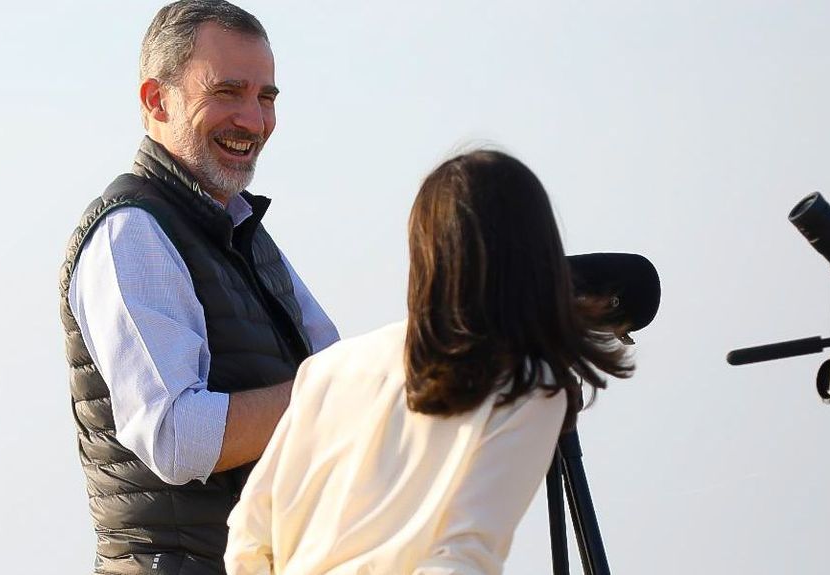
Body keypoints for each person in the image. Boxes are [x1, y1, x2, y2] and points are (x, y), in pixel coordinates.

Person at [224, 150, 635, 574]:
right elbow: (461, 558)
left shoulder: (331, 369)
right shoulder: (528, 383)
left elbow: (249, 535)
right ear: (538, 250)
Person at [57, 2, 339, 573]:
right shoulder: (130, 231)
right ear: (156, 101)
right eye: (228, 92)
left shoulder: (244, 233)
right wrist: (348, 390)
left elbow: (338, 368)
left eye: (266, 97)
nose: (253, 120)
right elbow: (177, 437)